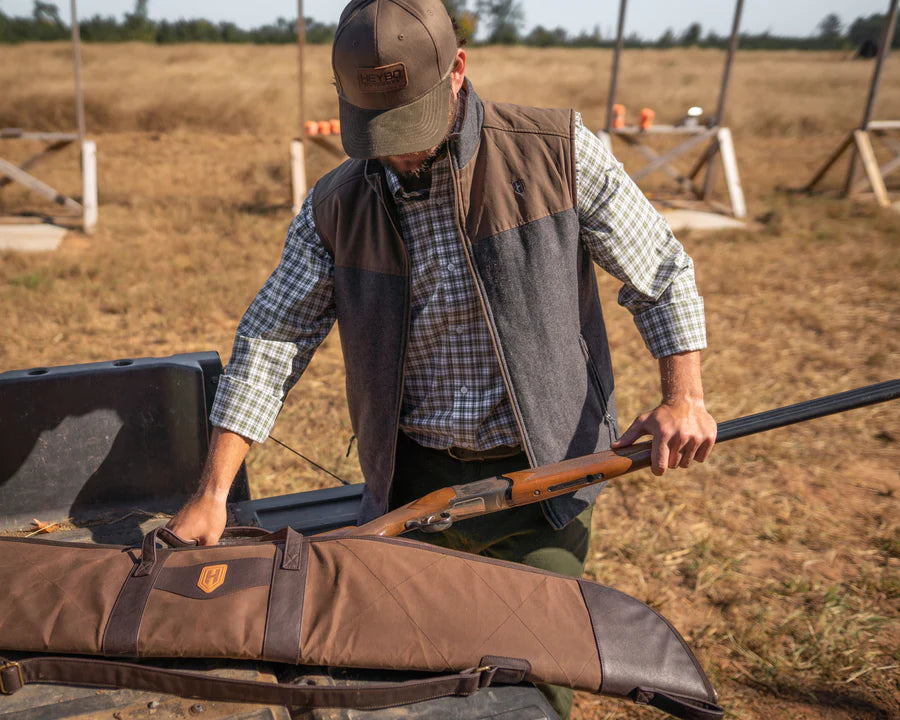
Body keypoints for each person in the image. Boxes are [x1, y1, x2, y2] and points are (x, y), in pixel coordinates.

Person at [168, 0, 717, 716]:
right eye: (378, 126)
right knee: (409, 687)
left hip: (546, 480)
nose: (397, 148)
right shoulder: (335, 204)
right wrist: (213, 495)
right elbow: (274, 340)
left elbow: (662, 273)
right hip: (408, 488)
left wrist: (684, 395)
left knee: (530, 685)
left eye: (410, 121)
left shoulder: (555, 149)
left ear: (458, 70)